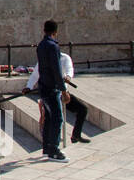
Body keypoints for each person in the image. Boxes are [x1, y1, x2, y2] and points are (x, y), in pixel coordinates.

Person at [27, 51, 88, 144]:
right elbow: (35, 75)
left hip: (62, 93)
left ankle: (76, 135)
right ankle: (51, 145)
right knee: (53, 119)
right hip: (50, 94)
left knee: (82, 109)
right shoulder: (44, 59)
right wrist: (28, 87)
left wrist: (68, 76)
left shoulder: (65, 58)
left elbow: (69, 69)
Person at [35, 20, 68, 162]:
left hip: (43, 86)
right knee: (57, 118)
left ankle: (46, 148)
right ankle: (54, 150)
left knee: (49, 118)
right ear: (55, 32)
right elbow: (56, 69)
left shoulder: (41, 45)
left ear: (44, 30)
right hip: (52, 87)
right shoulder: (53, 46)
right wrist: (64, 89)